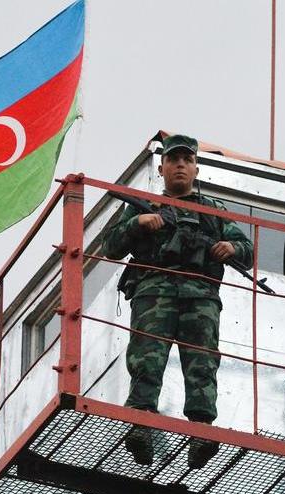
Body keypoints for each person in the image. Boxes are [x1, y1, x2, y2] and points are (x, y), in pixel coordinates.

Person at [100, 134, 253, 468]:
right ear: (162, 167)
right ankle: (140, 424)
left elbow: (247, 250)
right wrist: (138, 224)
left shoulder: (212, 211)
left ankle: (200, 430)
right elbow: (109, 246)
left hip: (200, 296)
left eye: (186, 160)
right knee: (147, 359)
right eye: (173, 159)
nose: (180, 165)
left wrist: (231, 249)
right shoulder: (142, 205)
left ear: (196, 168)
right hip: (155, 292)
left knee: (202, 363)